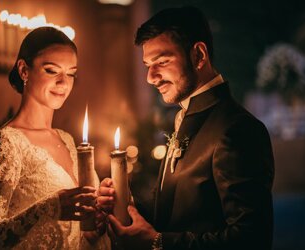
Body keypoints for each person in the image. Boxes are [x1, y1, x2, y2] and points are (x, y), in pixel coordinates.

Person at [98, 6, 274, 250]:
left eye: (162, 61)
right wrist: (126, 203)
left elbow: (251, 238)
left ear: (198, 56)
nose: (151, 77)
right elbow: (175, 211)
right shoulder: (187, 117)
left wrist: (159, 243)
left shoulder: (238, 128)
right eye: (148, 64)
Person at [0, 27, 110, 249]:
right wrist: (50, 208)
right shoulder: (8, 143)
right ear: (24, 70)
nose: (64, 83)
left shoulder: (67, 139)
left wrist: (99, 217)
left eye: (71, 73)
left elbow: (77, 235)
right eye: (51, 70)